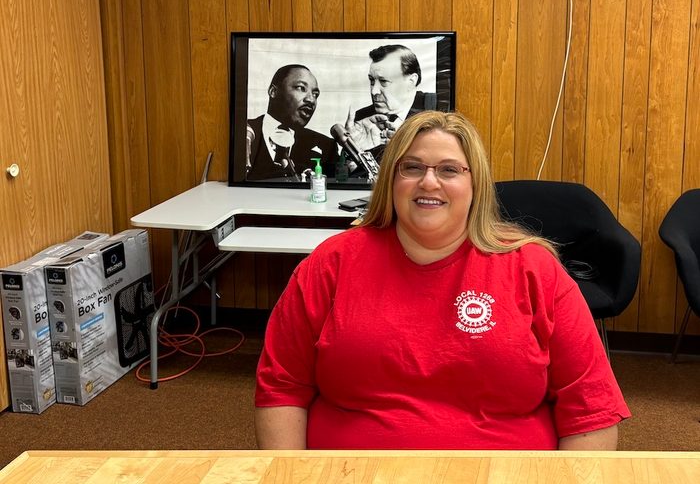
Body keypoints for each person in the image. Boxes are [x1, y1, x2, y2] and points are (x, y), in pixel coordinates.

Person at [255, 111, 631, 450]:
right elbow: (282, 389)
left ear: (475, 184)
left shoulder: (534, 269)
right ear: (391, 179)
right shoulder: (330, 263)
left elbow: (590, 407)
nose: (429, 182)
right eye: (412, 168)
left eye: (449, 170)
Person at [339, 44, 438, 169]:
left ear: (411, 81)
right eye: (371, 81)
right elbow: (344, 175)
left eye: (384, 81)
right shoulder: (362, 119)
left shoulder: (438, 110)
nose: (374, 91)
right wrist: (353, 152)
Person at [246, 64, 337, 181]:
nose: (311, 99)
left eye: (315, 94)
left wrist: (353, 150)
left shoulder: (325, 146)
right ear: (273, 91)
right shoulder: (243, 132)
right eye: (300, 88)